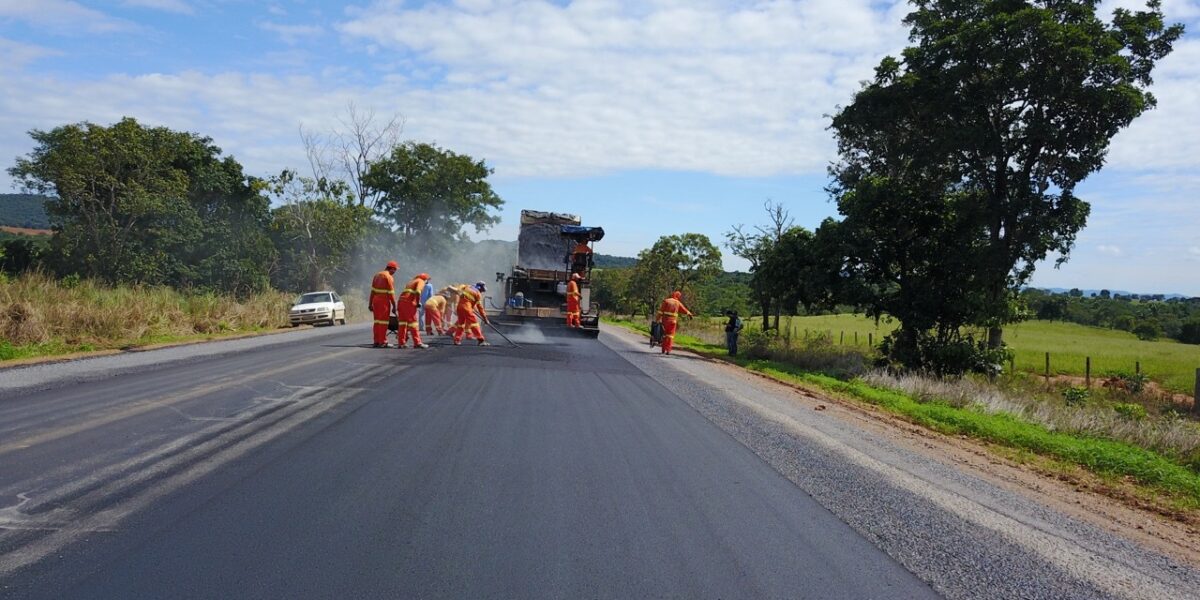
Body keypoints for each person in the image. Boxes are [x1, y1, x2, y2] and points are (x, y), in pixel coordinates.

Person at [396, 273, 430, 349]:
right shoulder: (421, 281)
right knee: (413, 323)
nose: (426, 282)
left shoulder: (412, 281)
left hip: (401, 302)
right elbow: (418, 291)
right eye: (427, 280)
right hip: (409, 303)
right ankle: (417, 343)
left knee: (402, 324)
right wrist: (418, 303)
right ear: (425, 279)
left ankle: (401, 343)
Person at [452, 281, 491, 346]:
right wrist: (485, 319)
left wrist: (471, 307)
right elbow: (480, 308)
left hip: (459, 307)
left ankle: (457, 340)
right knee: (474, 324)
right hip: (467, 308)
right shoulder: (477, 294)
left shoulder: (468, 287)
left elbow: (463, 296)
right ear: (480, 288)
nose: (481, 292)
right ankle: (481, 340)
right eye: (482, 290)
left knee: (461, 324)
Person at [369, 261, 398, 347]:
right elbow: (391, 293)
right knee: (383, 322)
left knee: (377, 322)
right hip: (383, 301)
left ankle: (376, 341)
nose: (395, 272)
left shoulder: (377, 275)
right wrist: (394, 305)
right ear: (392, 269)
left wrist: (370, 303)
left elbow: (372, 291)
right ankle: (383, 342)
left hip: (375, 301)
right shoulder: (388, 277)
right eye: (395, 270)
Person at [655, 290, 693, 355]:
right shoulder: (678, 303)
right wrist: (690, 314)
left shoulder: (666, 301)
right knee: (670, 336)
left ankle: (663, 349)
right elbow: (684, 310)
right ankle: (668, 350)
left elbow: (660, 312)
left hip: (665, 321)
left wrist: (657, 320)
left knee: (664, 335)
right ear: (678, 296)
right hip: (673, 322)